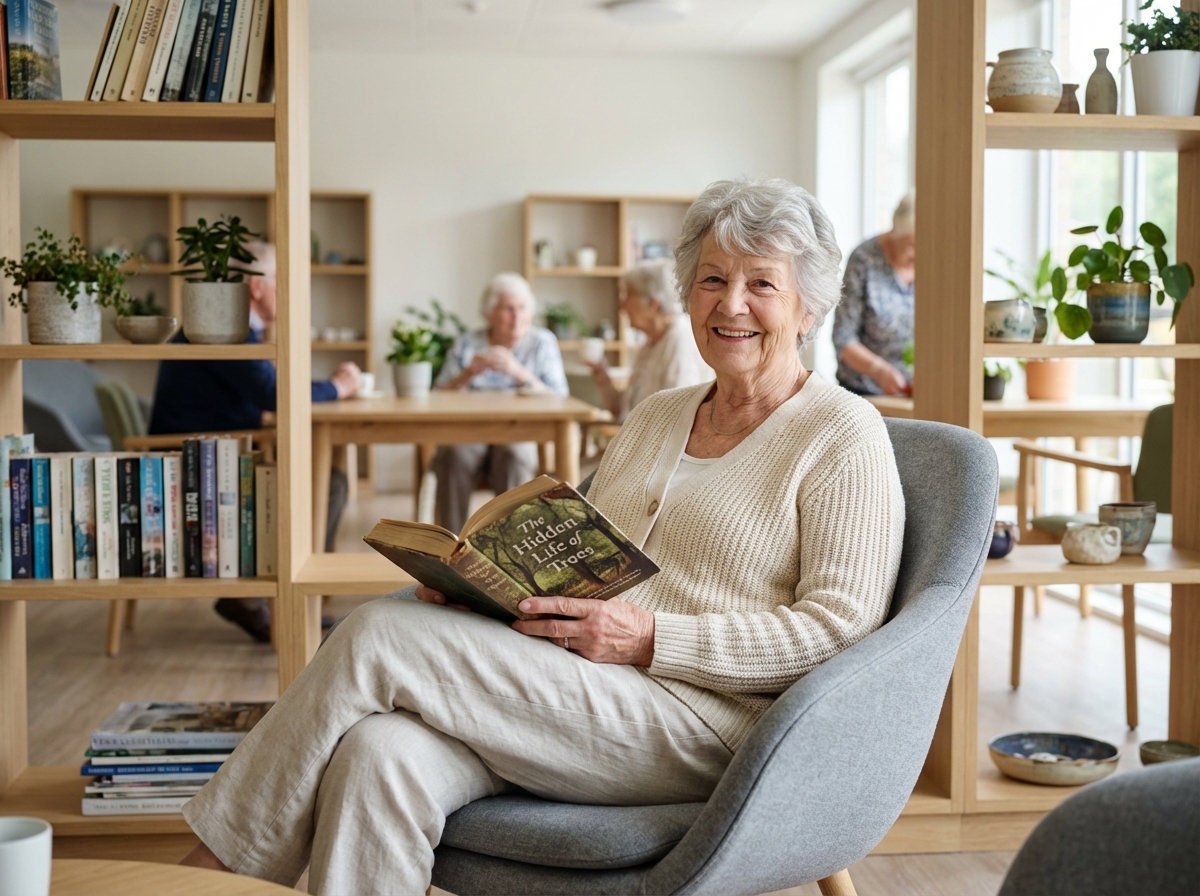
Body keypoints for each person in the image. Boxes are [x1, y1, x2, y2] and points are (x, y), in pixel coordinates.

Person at [179, 178, 905, 895]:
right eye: (712, 278)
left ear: (808, 306)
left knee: (378, 635)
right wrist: (486, 592)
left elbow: (841, 633)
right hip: (575, 690)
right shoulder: (657, 415)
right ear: (688, 294)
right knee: (379, 753)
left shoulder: (843, 434)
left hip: (707, 725)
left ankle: (216, 871)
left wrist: (649, 638)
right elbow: (582, 551)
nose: (731, 303)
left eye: (761, 284)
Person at [150, 241, 361, 642]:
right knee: (325, 483)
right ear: (256, 286)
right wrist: (338, 386)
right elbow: (273, 392)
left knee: (324, 479)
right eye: (285, 281)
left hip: (219, 447)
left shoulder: (230, 324)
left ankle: (275, 597)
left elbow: (259, 391)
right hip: (198, 460)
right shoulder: (224, 326)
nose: (293, 290)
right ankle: (286, 598)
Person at [430, 272, 568, 534]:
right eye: (508, 309)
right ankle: (451, 548)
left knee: (515, 455)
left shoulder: (542, 342)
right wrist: (467, 374)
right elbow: (437, 394)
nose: (516, 317)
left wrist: (520, 374)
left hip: (520, 430)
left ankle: (512, 548)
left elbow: (560, 396)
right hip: (470, 430)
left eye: (523, 308)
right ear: (489, 313)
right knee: (451, 455)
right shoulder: (468, 343)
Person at [587, 259, 713, 421]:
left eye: (628, 294)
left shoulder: (681, 340)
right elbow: (624, 413)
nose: (621, 305)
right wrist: (602, 376)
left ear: (653, 302)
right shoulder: (651, 343)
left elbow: (678, 419)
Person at [832, 191, 915, 396]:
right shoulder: (864, 259)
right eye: (911, 246)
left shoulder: (936, 261)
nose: (919, 255)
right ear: (895, 231)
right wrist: (880, 371)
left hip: (915, 393)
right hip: (864, 390)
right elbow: (843, 337)